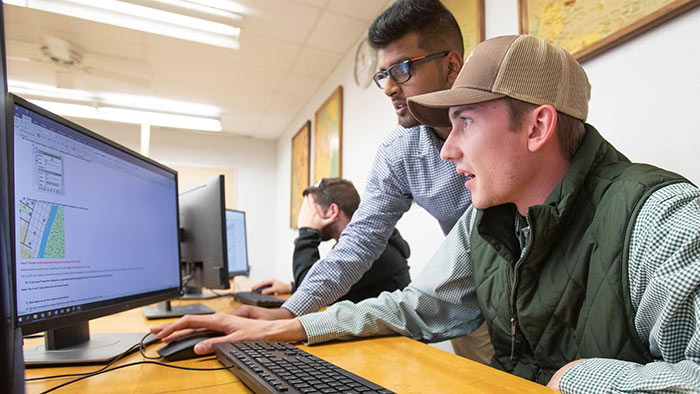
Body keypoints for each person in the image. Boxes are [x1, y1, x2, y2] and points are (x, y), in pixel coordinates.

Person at [152, 35, 700, 393]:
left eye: (465, 123)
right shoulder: (488, 223)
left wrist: (585, 379)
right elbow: (414, 308)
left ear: (536, 127)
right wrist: (291, 327)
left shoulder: (661, 218)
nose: (446, 150)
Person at [231, 0, 494, 364]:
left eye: (401, 70)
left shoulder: (499, 125)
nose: (389, 88)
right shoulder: (399, 151)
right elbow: (358, 243)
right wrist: (290, 312)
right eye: (383, 74)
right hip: (470, 289)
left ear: (451, 66)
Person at [254, 178, 411, 303]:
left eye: (310, 210)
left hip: (391, 342)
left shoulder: (368, 247)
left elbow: (310, 296)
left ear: (332, 211)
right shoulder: (359, 241)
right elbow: (328, 284)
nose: (305, 217)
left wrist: (307, 232)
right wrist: (291, 287)